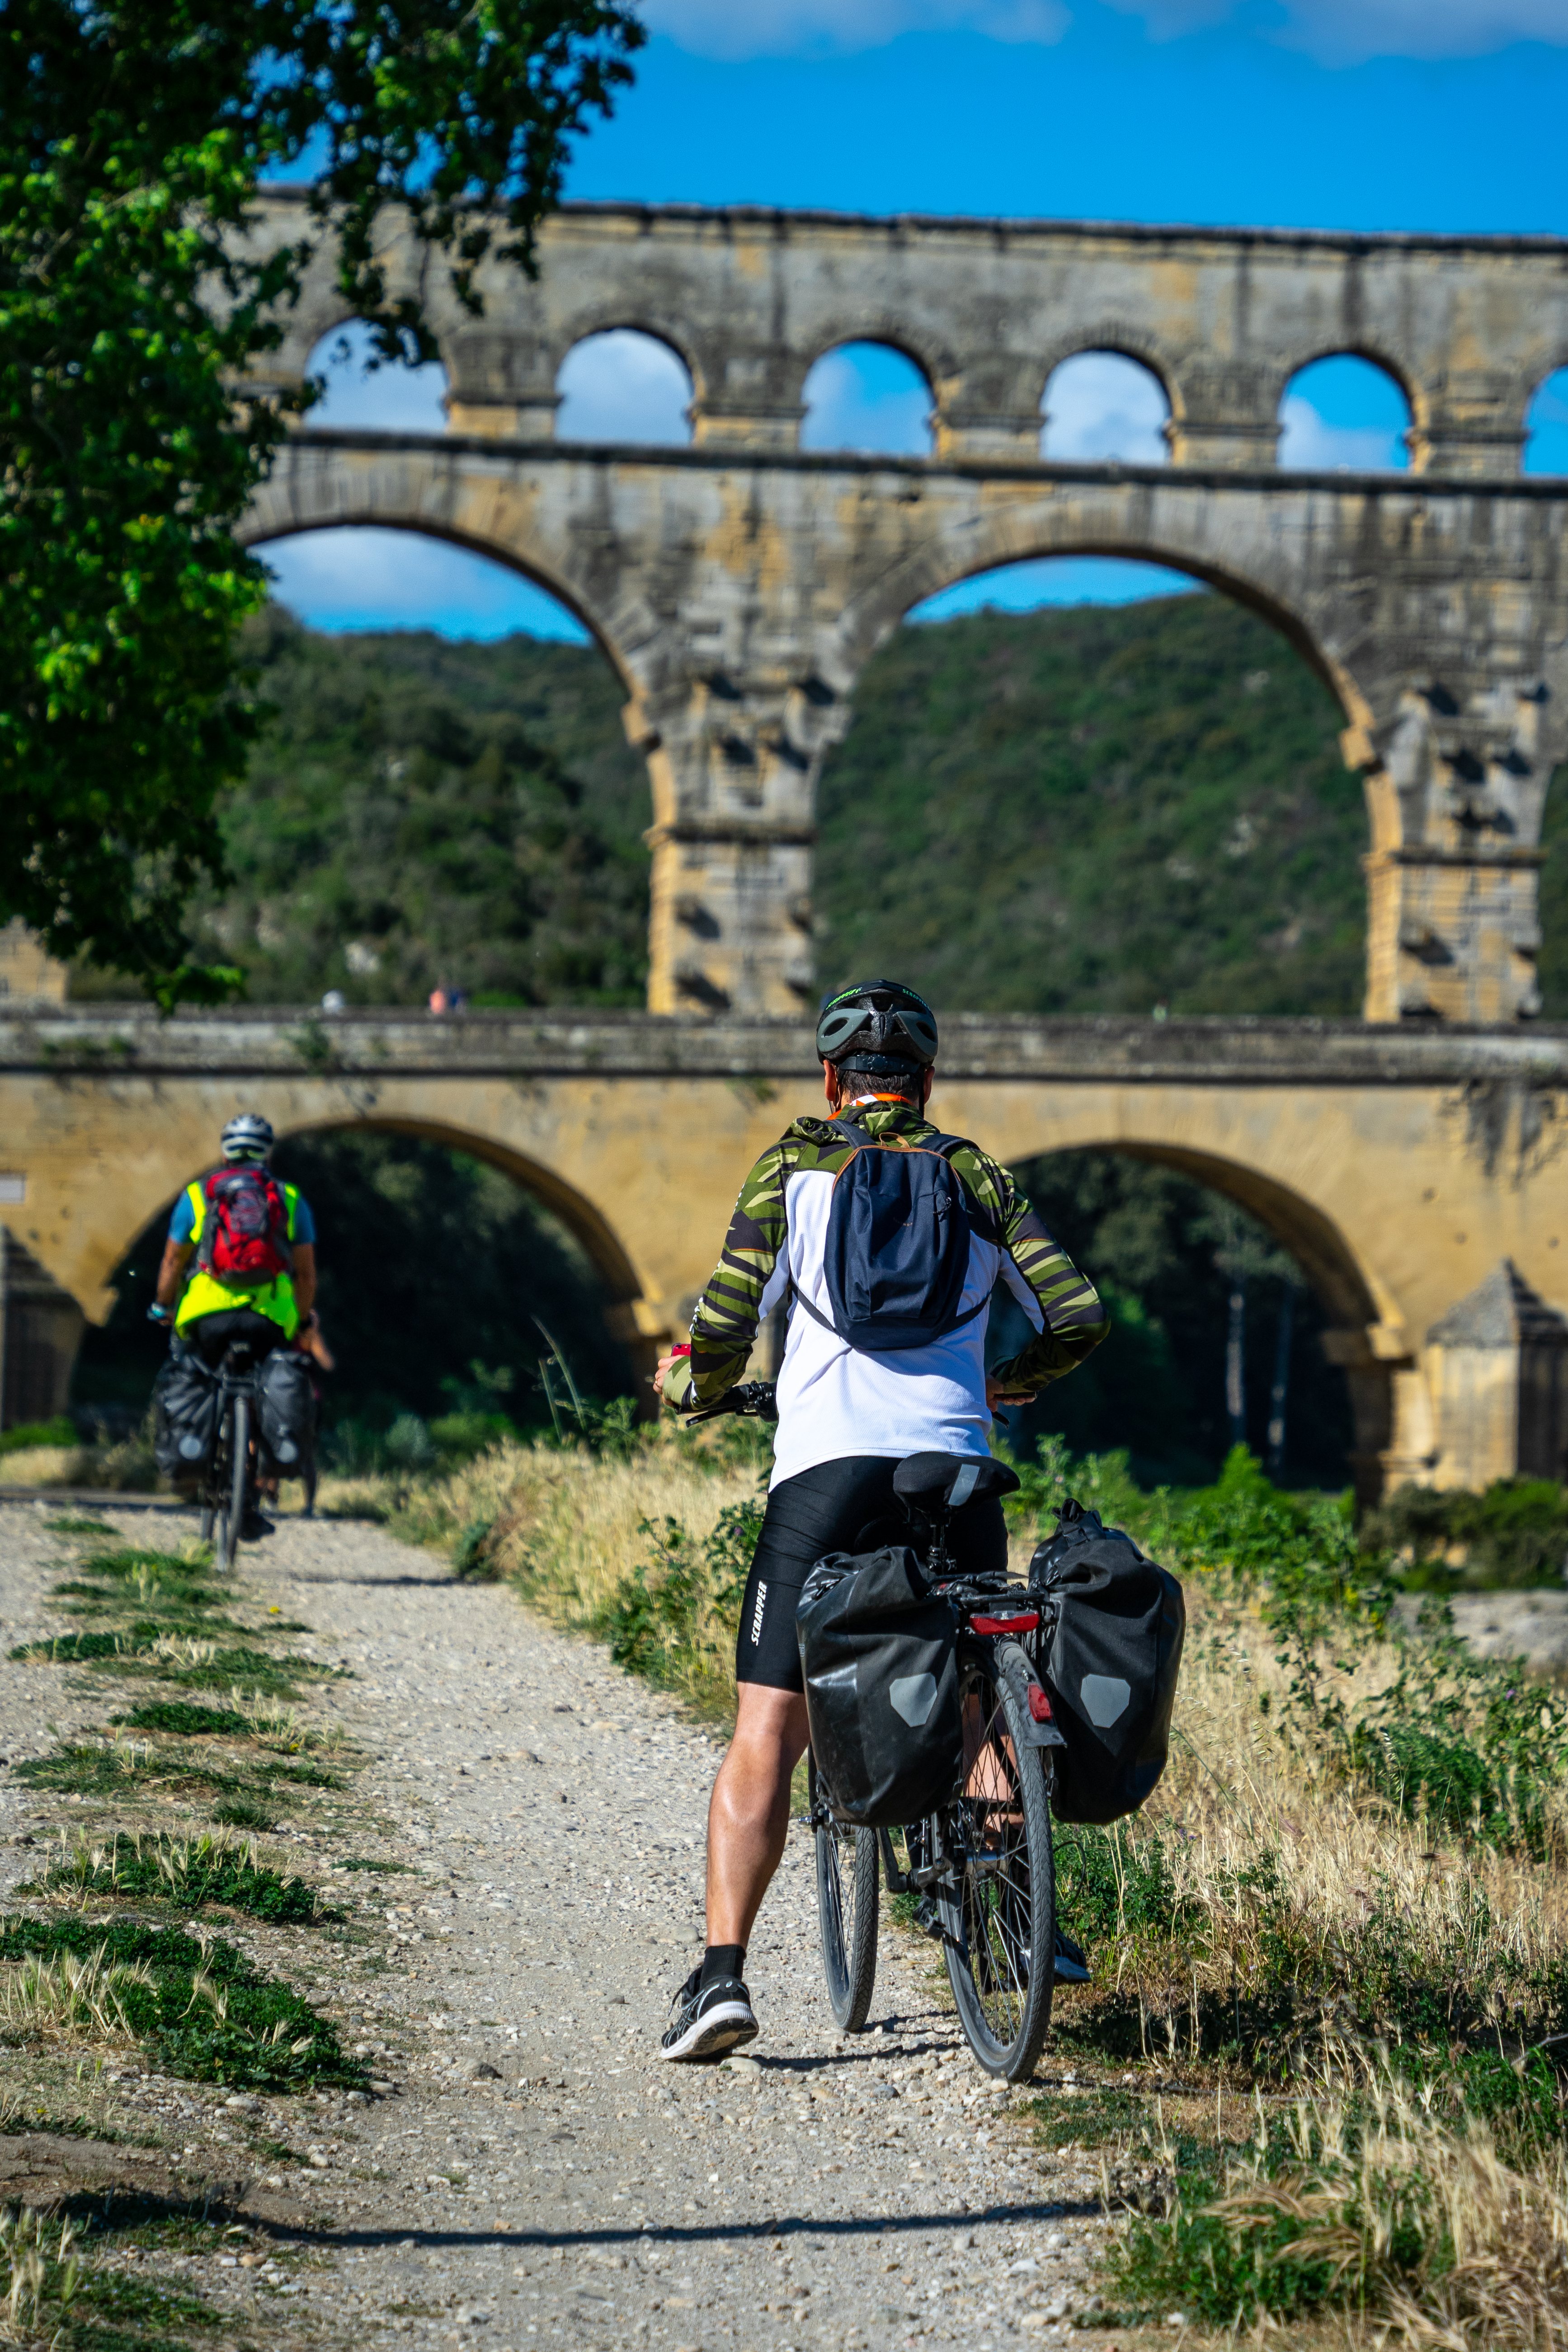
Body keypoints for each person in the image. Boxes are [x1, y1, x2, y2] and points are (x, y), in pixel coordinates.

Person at [653, 980, 1107, 2060]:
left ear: (830, 1080)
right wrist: (1008, 1382)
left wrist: (689, 1384)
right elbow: (1076, 1313)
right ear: (927, 1081)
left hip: (827, 1475)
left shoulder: (792, 1168)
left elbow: (723, 1318)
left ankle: (721, 1977)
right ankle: (1018, 1927)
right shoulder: (974, 1175)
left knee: (767, 1725)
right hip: (954, 1468)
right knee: (976, 1700)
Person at [148, 1112, 317, 1537]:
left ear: (224, 1149)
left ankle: (196, 1453)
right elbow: (307, 1275)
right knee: (263, 1391)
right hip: (269, 1317)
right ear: (268, 1151)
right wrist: (297, 1320)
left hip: (207, 1315)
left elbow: (173, 1260)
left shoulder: (197, 1195)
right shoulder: (291, 1198)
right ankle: (252, 1490)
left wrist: (161, 1305)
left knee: (201, 1376)